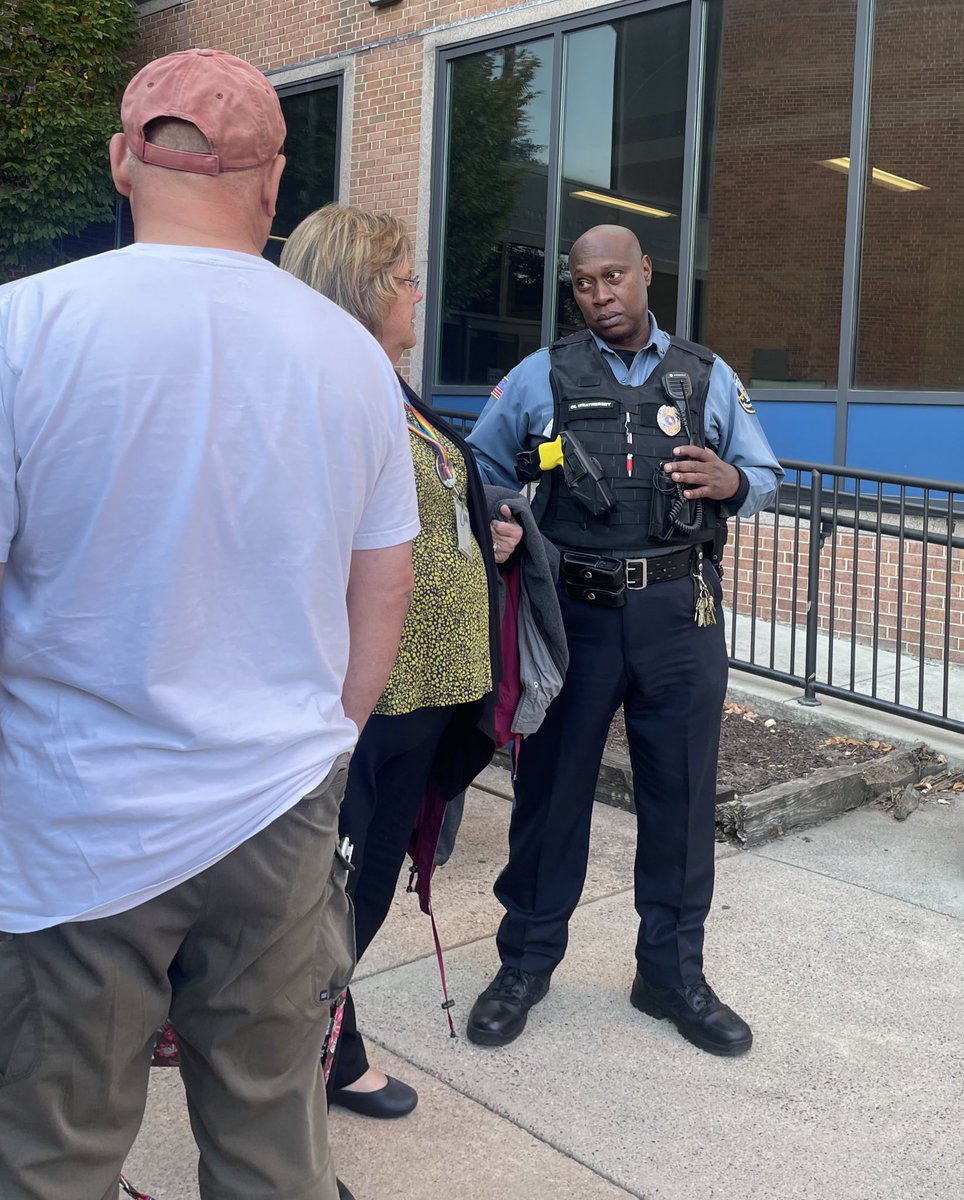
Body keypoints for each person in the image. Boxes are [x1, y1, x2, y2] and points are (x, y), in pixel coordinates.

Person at [0, 51, 418, 1200]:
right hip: (280, 805)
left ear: (124, 159)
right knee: (274, 1147)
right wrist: (322, 742)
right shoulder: (350, 355)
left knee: (53, 1153)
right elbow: (383, 586)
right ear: (273, 182)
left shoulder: (24, 329)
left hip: (76, 817)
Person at [465, 224, 784, 1056]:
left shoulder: (709, 377)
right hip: (573, 617)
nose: (601, 293)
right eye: (583, 283)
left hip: (682, 616)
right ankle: (526, 964)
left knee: (680, 803)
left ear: (647, 273)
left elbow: (768, 475)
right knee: (549, 795)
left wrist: (735, 480)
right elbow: (480, 465)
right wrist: (504, 516)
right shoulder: (541, 376)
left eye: (615, 276)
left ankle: (670, 975)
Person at [280, 204, 567, 1122]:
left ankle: (328, 1042)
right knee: (340, 894)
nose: (418, 294)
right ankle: (303, 1057)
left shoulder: (386, 385)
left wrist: (486, 529)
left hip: (425, 696)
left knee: (356, 890)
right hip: (375, 698)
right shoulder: (326, 391)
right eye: (406, 278)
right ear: (366, 290)